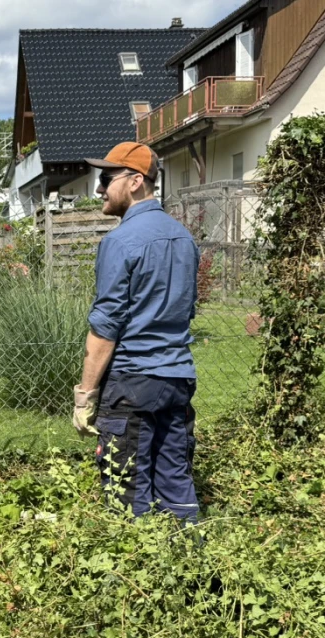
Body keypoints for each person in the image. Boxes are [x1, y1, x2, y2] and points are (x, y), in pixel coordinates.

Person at [73, 142, 200, 524]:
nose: (99, 189)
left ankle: (133, 572)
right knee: (176, 479)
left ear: (134, 181)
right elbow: (186, 309)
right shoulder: (184, 238)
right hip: (177, 377)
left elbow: (105, 328)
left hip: (132, 383)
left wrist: (85, 396)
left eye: (105, 179)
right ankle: (191, 562)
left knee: (126, 484)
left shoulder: (120, 241)